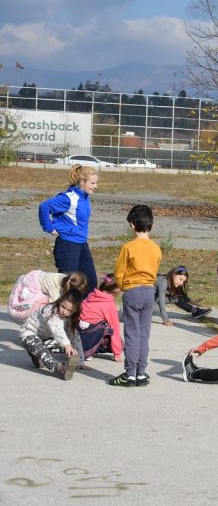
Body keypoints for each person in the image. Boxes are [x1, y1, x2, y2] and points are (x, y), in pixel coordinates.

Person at [109, 205, 162, 387]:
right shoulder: (156, 248)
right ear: (151, 225)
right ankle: (141, 372)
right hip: (149, 291)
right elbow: (154, 271)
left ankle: (129, 374)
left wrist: (124, 286)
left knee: (132, 334)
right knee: (144, 335)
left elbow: (119, 272)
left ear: (132, 225)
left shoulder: (128, 247)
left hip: (132, 291)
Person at [38, 165, 99, 294]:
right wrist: (48, 227)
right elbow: (44, 207)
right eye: (92, 183)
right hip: (67, 245)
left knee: (91, 282)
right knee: (69, 283)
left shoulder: (85, 197)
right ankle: (63, 312)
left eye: (96, 183)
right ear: (82, 182)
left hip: (81, 244)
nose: (95, 186)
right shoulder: (69, 198)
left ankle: (80, 311)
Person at [19, 289, 84, 381]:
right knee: (44, 351)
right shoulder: (49, 310)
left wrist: (80, 360)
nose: (65, 312)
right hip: (29, 334)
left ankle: (36, 356)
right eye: (63, 307)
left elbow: (74, 336)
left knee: (57, 349)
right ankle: (59, 368)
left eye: (70, 310)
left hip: (45, 339)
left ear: (75, 310)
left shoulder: (70, 318)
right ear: (60, 301)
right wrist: (67, 345)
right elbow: (57, 330)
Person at [8, 270, 88, 323]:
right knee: (35, 306)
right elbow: (53, 305)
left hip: (37, 275)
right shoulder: (57, 291)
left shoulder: (66, 279)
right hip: (33, 282)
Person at [79, 274, 123, 362]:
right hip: (91, 334)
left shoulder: (91, 295)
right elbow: (115, 328)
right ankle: (88, 351)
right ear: (116, 290)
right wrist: (117, 353)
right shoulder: (109, 305)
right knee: (106, 328)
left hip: (78, 335)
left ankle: (86, 350)